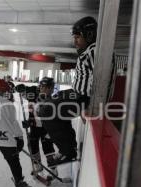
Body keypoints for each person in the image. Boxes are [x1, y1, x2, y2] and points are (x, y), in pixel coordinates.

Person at [37, 16, 97, 166]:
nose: (74, 41)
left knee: (47, 111)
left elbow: (103, 77)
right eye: (74, 37)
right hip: (76, 93)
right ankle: (69, 146)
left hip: (83, 97)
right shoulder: (89, 50)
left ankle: (67, 151)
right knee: (49, 103)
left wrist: (94, 103)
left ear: (89, 35)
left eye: (78, 37)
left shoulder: (95, 51)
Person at [20, 85, 58, 177]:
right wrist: (28, 122)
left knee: (48, 148)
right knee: (33, 147)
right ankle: (37, 165)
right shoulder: (31, 97)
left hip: (46, 128)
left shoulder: (49, 100)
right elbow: (21, 94)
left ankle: (53, 169)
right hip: (34, 128)